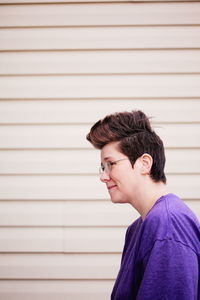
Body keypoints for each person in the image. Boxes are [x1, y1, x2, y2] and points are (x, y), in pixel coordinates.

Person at [86, 110, 200, 300]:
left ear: (144, 163)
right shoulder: (137, 229)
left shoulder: (168, 224)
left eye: (111, 164)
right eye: (102, 167)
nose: (103, 176)